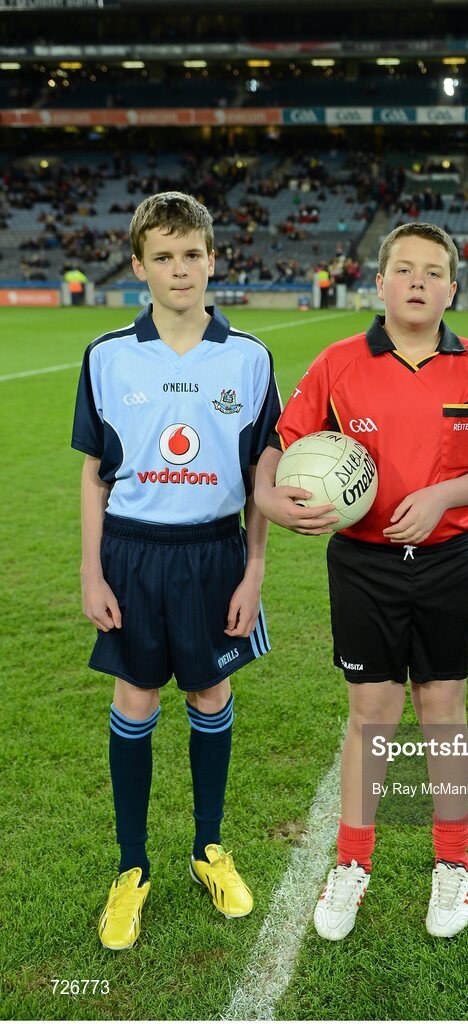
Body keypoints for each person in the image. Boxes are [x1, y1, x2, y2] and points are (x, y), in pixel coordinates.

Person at [254, 222, 468, 941]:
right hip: (362, 565)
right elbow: (281, 445)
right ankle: (351, 864)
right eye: (402, 269)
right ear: (377, 283)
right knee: (372, 713)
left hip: (446, 563)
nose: (416, 281)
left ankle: (452, 865)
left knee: (443, 707)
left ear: (451, 288)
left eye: (432, 271)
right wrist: (270, 499)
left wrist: (443, 494)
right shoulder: (341, 362)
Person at [71, 192, 281, 950]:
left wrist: (255, 568)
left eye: (192, 253)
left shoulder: (250, 357)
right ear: (137, 267)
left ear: (213, 259)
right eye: (163, 256)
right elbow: (96, 474)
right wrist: (92, 572)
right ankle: (131, 868)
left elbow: (264, 470)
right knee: (134, 697)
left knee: (209, 688)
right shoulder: (107, 355)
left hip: (214, 549)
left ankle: (208, 850)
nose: (180, 268)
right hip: (131, 549)